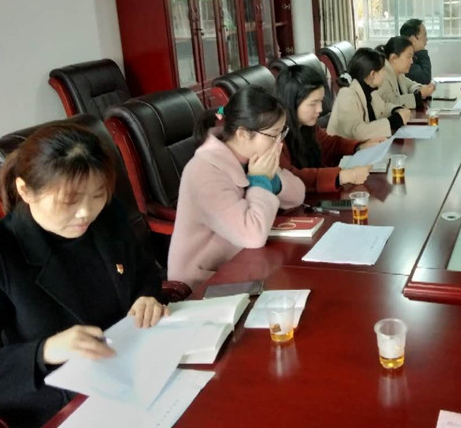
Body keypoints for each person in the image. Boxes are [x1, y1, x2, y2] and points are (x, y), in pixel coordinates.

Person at [0, 124, 168, 428]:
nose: (85, 213)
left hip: (136, 377)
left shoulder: (108, 217)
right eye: (69, 201)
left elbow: (144, 272)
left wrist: (147, 297)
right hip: (59, 411)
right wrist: (44, 351)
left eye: (97, 195)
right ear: (26, 190)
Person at [168, 87, 305, 288]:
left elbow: (298, 194)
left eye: (281, 133)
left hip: (246, 264)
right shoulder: (204, 171)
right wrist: (260, 182)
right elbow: (253, 235)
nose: (280, 143)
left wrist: (271, 180)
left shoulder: (250, 156)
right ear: (242, 134)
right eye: (273, 135)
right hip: (204, 282)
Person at [277, 65, 385, 193]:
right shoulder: (275, 136)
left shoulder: (306, 126)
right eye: (313, 104)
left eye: (321, 101)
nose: (320, 109)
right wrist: (342, 176)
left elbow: (330, 145)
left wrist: (359, 147)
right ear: (292, 103)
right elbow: (289, 178)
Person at [327, 48, 412, 140]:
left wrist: (396, 110)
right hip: (345, 149)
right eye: (384, 70)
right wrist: (393, 122)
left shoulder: (370, 90)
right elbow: (356, 133)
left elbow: (383, 108)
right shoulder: (347, 95)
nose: (385, 74)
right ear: (373, 74)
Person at [376, 36, 435, 110]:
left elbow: (410, 85)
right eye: (408, 57)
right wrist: (420, 95)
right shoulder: (382, 75)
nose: (411, 61)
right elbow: (391, 102)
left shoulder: (399, 73)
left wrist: (419, 90)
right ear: (393, 58)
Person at [400, 18, 431, 84]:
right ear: (413, 39)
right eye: (424, 35)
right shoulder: (405, 58)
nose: (427, 39)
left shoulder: (414, 55)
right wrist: (422, 51)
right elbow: (425, 79)